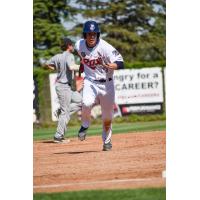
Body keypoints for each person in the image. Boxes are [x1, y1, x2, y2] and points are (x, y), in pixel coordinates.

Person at [75, 20, 124, 151]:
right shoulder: (79, 44)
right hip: (91, 82)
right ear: (85, 35)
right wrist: (82, 65)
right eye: (89, 33)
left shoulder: (105, 47)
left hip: (107, 85)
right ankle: (85, 125)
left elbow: (121, 62)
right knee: (86, 102)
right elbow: (81, 56)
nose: (91, 36)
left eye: (94, 34)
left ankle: (106, 141)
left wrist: (114, 65)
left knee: (107, 118)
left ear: (98, 34)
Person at [44, 37, 82, 143]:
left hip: (66, 87)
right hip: (63, 86)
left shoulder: (57, 56)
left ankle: (60, 111)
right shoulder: (69, 55)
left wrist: (54, 68)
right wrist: (82, 66)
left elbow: (46, 64)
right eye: (72, 45)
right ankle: (58, 136)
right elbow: (71, 67)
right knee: (65, 112)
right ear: (69, 46)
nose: (73, 47)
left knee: (82, 102)